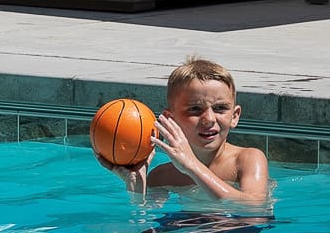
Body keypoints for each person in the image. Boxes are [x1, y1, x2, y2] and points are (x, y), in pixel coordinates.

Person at [97, 56, 272, 208]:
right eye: (195, 109)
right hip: (189, 225)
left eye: (220, 108)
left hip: (236, 232)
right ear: (170, 119)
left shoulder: (247, 159)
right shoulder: (162, 176)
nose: (209, 118)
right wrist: (136, 191)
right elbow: (145, 220)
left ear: (234, 116)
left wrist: (192, 166)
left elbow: (254, 210)